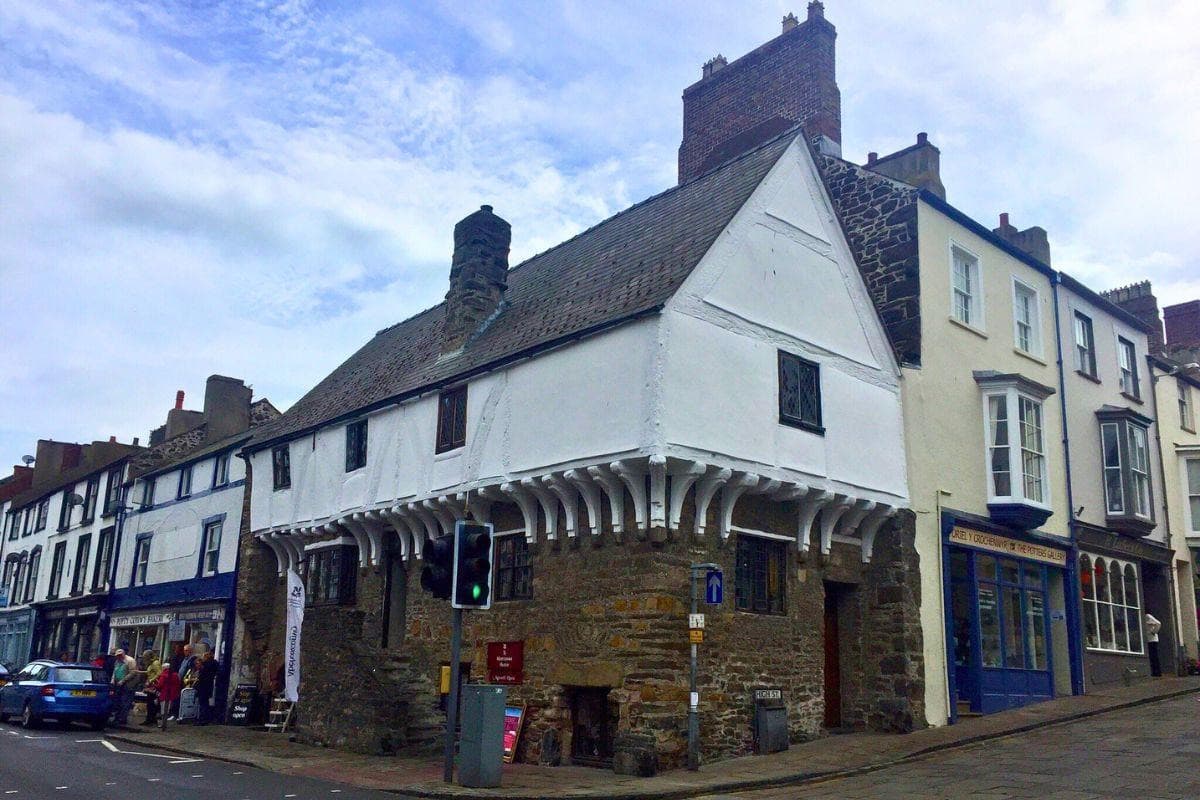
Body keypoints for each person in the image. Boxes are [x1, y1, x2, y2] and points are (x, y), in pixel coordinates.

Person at [110, 649, 137, 726]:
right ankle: (117, 718)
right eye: (117, 656)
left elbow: (133, 672)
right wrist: (112, 681)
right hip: (118, 684)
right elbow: (115, 672)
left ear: (124, 654)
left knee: (125, 702)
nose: (119, 657)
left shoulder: (130, 661)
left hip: (128, 685)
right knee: (118, 701)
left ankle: (122, 719)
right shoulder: (117, 661)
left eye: (120, 655)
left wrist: (123, 680)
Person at [153, 663, 182, 731]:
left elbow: (160, 685)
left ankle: (163, 724)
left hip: (164, 694)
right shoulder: (175, 675)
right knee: (168, 709)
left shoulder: (163, 676)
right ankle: (164, 724)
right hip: (173, 694)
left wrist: (154, 685)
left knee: (163, 710)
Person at [194, 651, 219, 725]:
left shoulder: (205, 667)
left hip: (203, 687)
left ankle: (203, 719)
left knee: (203, 703)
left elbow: (201, 676)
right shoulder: (213, 665)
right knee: (205, 703)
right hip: (208, 686)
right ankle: (205, 718)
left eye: (204, 657)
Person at [141, 651, 163, 725]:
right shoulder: (150, 664)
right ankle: (149, 718)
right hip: (150, 685)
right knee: (149, 703)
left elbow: (159, 673)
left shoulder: (155, 663)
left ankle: (152, 719)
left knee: (152, 703)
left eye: (145, 657)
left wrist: (151, 680)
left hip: (154, 685)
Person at [1145, 612, 1163, 676]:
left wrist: (1154, 632)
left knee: (1154, 656)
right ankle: (1155, 671)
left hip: (1152, 639)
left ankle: (1157, 672)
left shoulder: (1147, 616)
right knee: (1153, 656)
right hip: (1149, 639)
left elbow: (1158, 623)